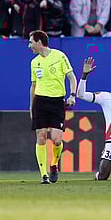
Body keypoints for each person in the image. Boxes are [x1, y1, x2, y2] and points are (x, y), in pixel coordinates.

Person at [28, 30, 77, 184]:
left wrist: (72, 95)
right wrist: (31, 106)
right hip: (40, 102)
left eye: (31, 42)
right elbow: (33, 85)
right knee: (41, 136)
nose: (29, 46)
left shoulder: (59, 56)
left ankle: (54, 164)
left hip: (57, 102)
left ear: (39, 42)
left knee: (56, 140)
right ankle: (43, 175)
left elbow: (71, 77)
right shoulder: (34, 62)